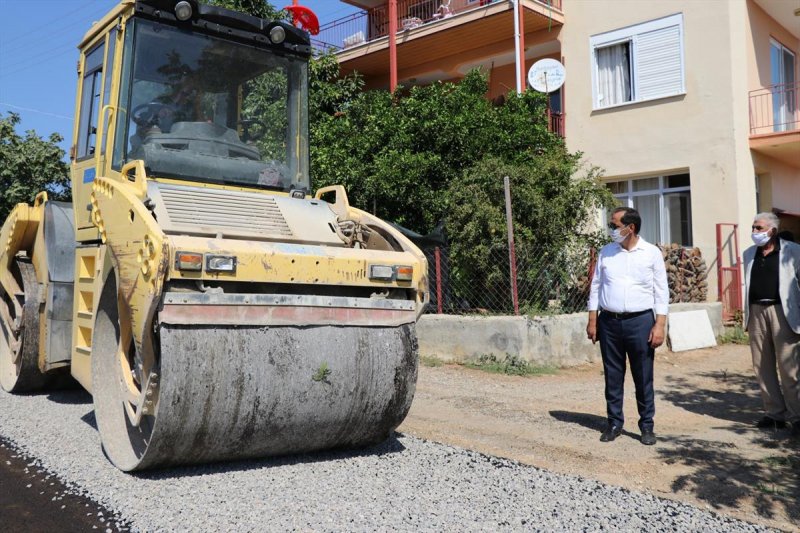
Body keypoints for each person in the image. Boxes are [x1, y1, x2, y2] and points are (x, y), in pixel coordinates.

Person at [586, 207, 669, 445]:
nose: (611, 230)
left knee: (643, 375)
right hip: (609, 321)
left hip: (640, 322)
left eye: (614, 225)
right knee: (613, 375)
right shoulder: (607, 252)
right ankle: (614, 423)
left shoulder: (651, 253)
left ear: (630, 227)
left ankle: (647, 426)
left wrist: (659, 324)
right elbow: (596, 286)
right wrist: (593, 319)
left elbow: (661, 291)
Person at [743, 212, 800, 437]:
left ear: (772, 231)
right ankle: (774, 413)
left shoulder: (793, 252)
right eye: (753, 227)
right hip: (756, 311)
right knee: (762, 365)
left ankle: (797, 416)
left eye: (759, 228)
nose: (754, 232)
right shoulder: (749, 253)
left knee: (790, 368)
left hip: (783, 313)